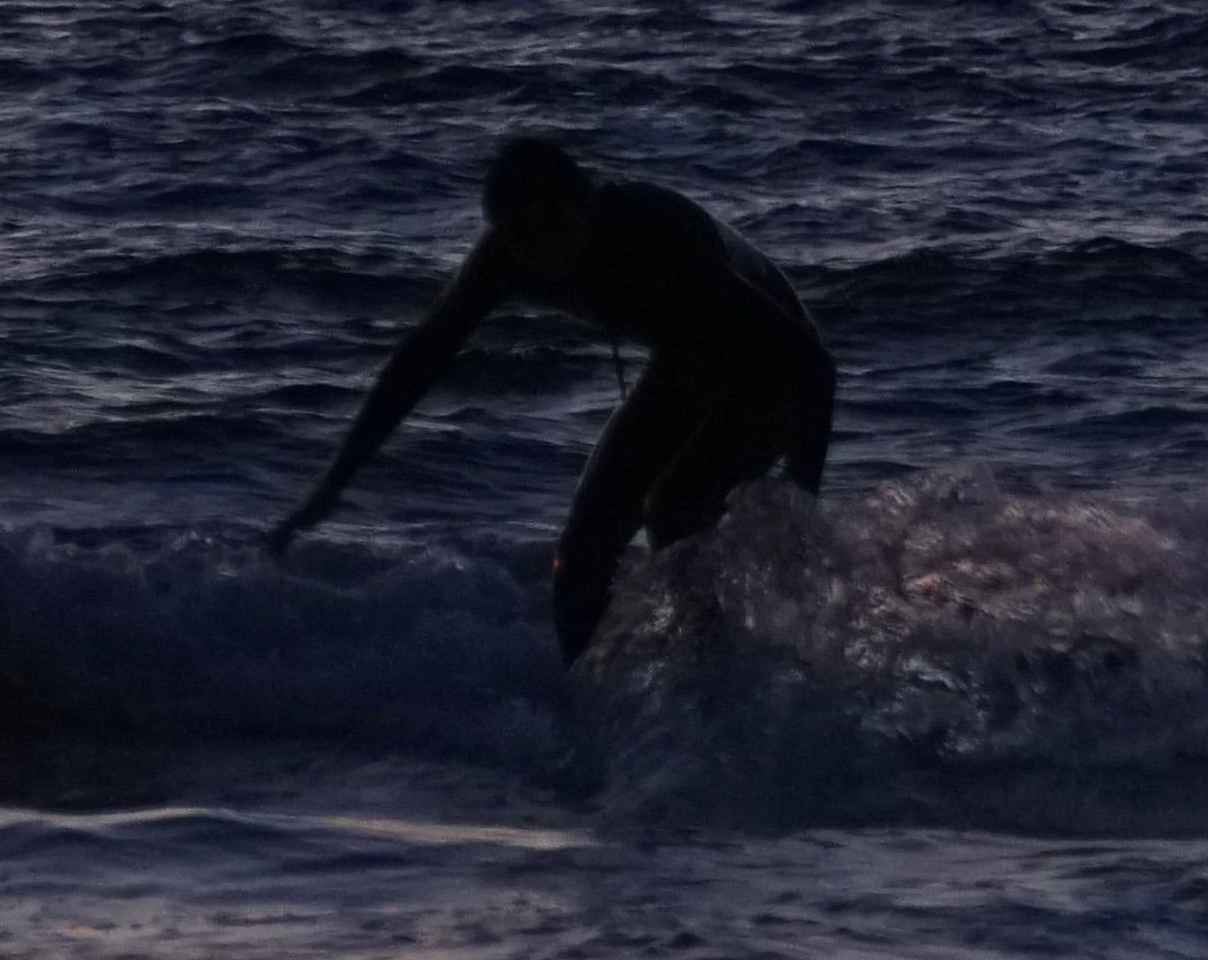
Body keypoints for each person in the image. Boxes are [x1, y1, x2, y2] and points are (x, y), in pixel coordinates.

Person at [271, 136, 833, 658]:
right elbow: (419, 361)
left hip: (770, 359)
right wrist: (334, 484)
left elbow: (810, 363)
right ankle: (589, 697)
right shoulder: (508, 257)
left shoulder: (653, 235)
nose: (541, 249)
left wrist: (802, 496)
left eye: (552, 225)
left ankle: (719, 667)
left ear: (585, 202)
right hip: (688, 360)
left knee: (673, 509)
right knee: (583, 550)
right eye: (520, 235)